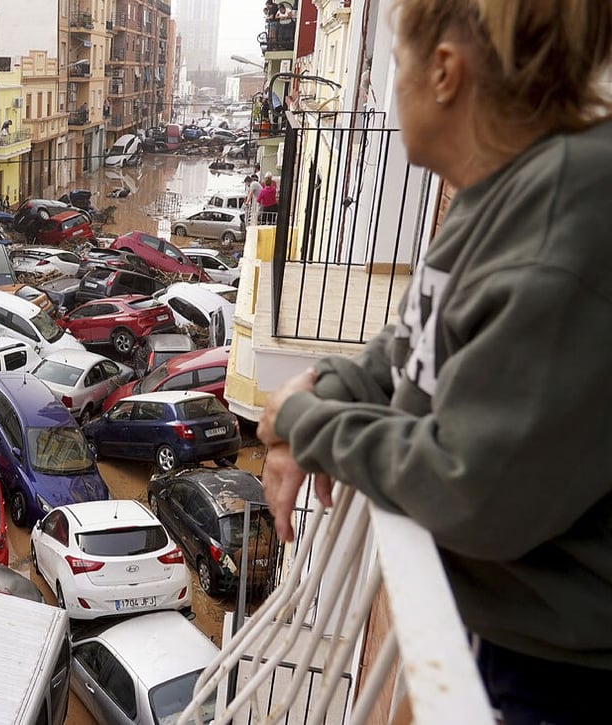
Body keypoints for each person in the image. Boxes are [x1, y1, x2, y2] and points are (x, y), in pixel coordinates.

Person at [255, 1, 612, 722]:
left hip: (568, 681)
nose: (392, 85)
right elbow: (412, 339)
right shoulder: (504, 191)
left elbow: (471, 487)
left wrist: (305, 420)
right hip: (523, 641)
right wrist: (329, 385)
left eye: (396, 60)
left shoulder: (563, 219)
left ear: (445, 72)